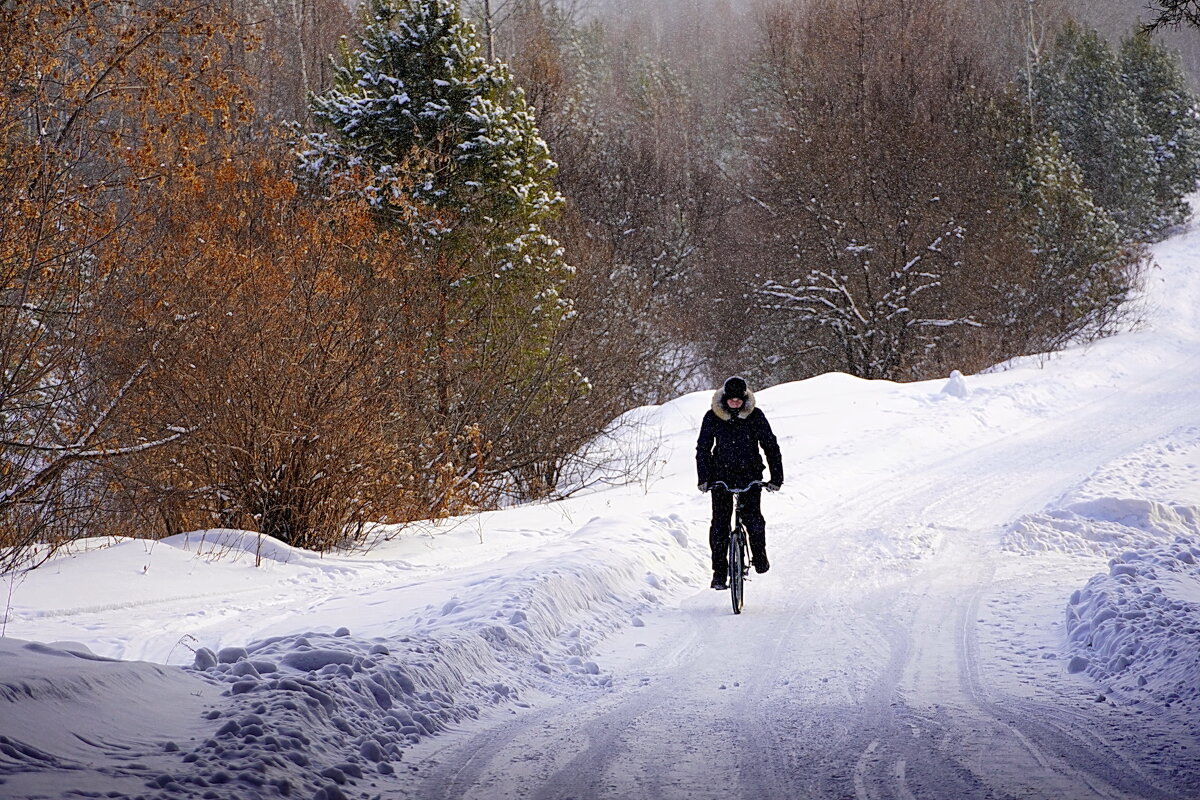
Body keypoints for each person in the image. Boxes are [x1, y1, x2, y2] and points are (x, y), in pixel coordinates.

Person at [696, 376, 783, 590]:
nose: (735, 403)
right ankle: (719, 573)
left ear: (744, 399)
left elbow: (770, 446)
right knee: (719, 525)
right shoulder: (712, 417)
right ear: (725, 399)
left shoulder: (755, 416)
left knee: (753, 520)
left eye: (739, 400)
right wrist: (704, 478)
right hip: (721, 478)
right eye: (731, 400)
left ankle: (759, 556)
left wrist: (776, 478)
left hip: (750, 476)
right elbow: (703, 449)